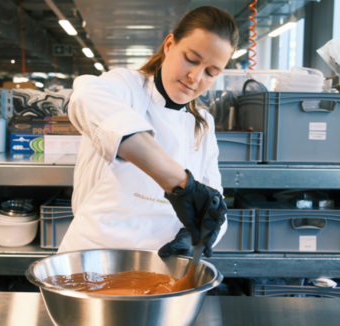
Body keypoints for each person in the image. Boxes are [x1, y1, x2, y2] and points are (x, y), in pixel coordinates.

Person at [58, 6, 239, 258]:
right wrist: (177, 182)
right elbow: (86, 96)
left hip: (163, 262)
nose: (195, 76)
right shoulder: (128, 88)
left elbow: (213, 207)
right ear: (169, 45)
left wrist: (194, 236)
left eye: (211, 72)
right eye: (191, 59)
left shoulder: (202, 126)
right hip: (93, 255)